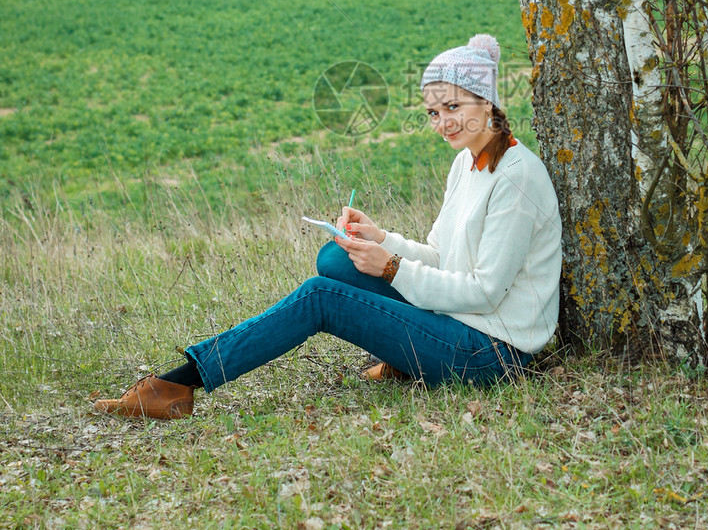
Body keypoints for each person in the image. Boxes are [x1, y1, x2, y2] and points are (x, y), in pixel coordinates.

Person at [93, 34, 562, 419]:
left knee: (322, 295)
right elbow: (442, 256)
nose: (442, 123)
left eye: (453, 108)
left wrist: (392, 267)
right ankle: (405, 358)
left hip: (492, 353)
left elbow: (486, 293)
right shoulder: (467, 164)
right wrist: (381, 240)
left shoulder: (516, 175)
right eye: (433, 113)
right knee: (337, 257)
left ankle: (179, 384)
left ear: (487, 103)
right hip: (458, 325)